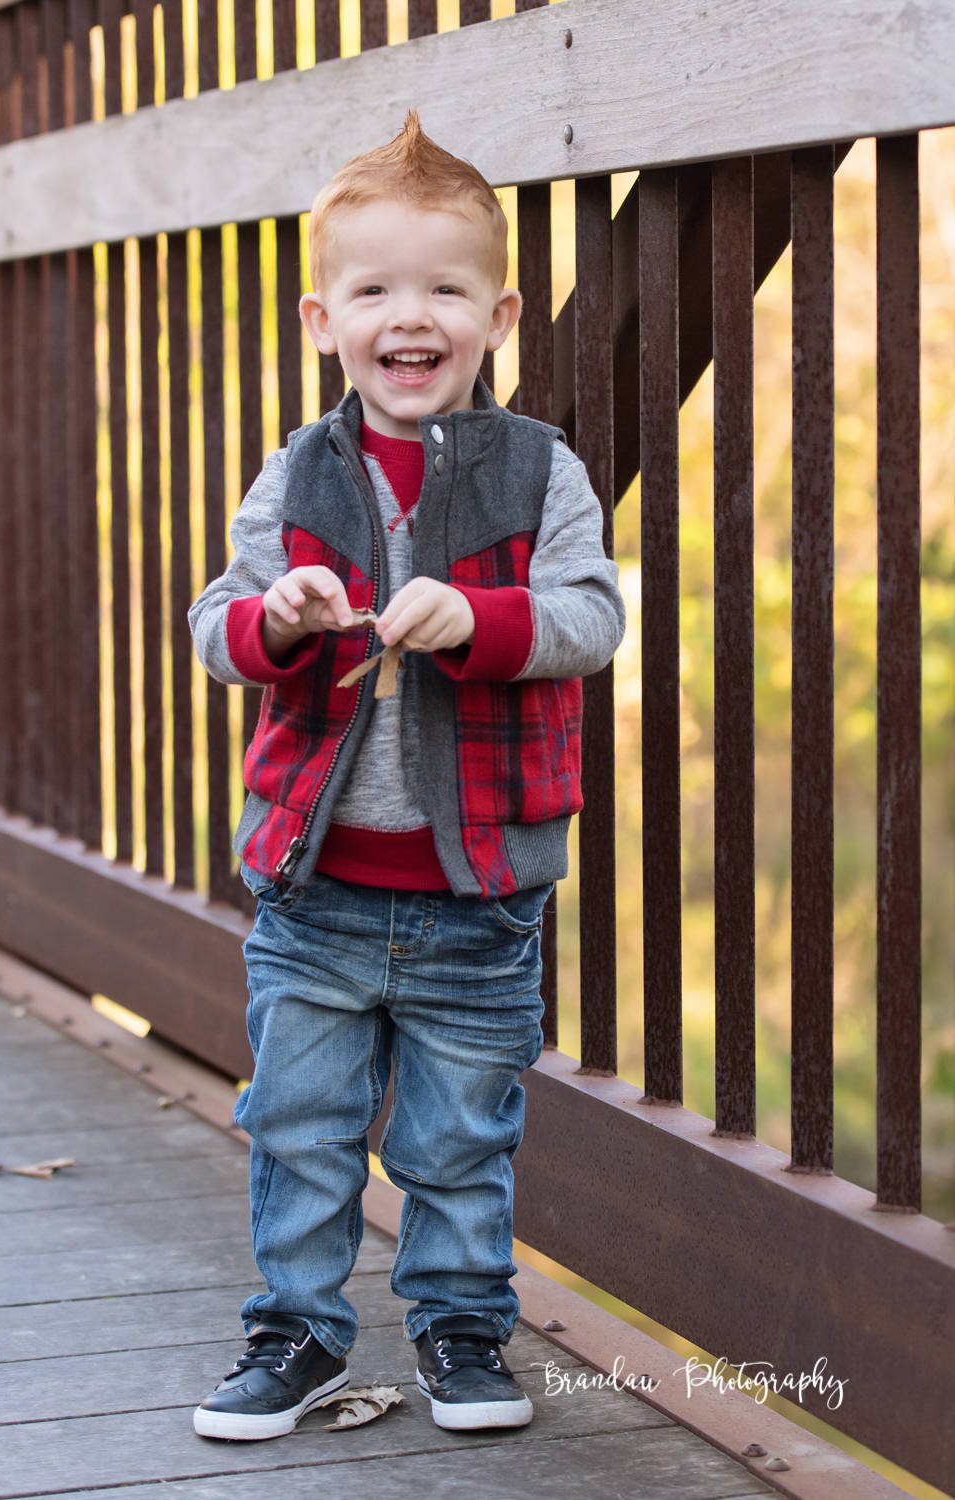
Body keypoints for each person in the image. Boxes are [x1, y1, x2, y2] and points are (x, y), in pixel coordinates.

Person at [188, 110, 625, 1443]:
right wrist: (284, 614)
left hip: (480, 898)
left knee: (456, 1138)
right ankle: (299, 1334)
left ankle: (459, 1328)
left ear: (495, 316)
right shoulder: (300, 472)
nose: (408, 317)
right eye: (375, 290)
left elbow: (591, 618)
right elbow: (218, 624)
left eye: (442, 289)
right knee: (302, 1125)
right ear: (325, 320)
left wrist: (484, 626)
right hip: (313, 891)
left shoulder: (539, 469)